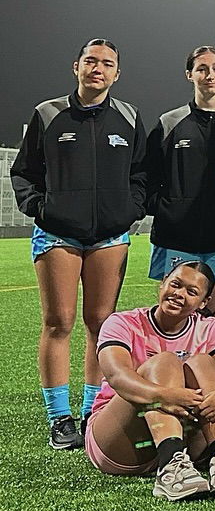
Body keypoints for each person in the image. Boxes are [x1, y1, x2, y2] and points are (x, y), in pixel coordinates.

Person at [11, 38, 146, 450]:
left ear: (117, 73)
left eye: (107, 63)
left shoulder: (128, 116)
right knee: (58, 322)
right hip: (58, 233)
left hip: (110, 235)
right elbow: (25, 171)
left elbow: (142, 173)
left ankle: (92, 410)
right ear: (77, 67)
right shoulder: (48, 113)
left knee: (101, 324)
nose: (98, 68)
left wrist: (130, 209)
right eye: (91, 61)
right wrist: (41, 208)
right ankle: (59, 417)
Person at [85, 260, 215, 500]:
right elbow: (117, 376)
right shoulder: (123, 322)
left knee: (204, 362)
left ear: (204, 302)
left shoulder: (211, 329)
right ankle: (170, 465)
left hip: (188, 442)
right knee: (165, 361)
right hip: (123, 440)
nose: (179, 294)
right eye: (175, 284)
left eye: (191, 292)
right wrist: (163, 396)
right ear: (162, 284)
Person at [144, 46, 215, 335]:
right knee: (173, 316)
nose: (209, 75)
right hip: (176, 237)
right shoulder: (169, 122)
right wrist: (167, 210)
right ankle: (172, 366)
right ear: (190, 74)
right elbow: (147, 176)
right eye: (202, 69)